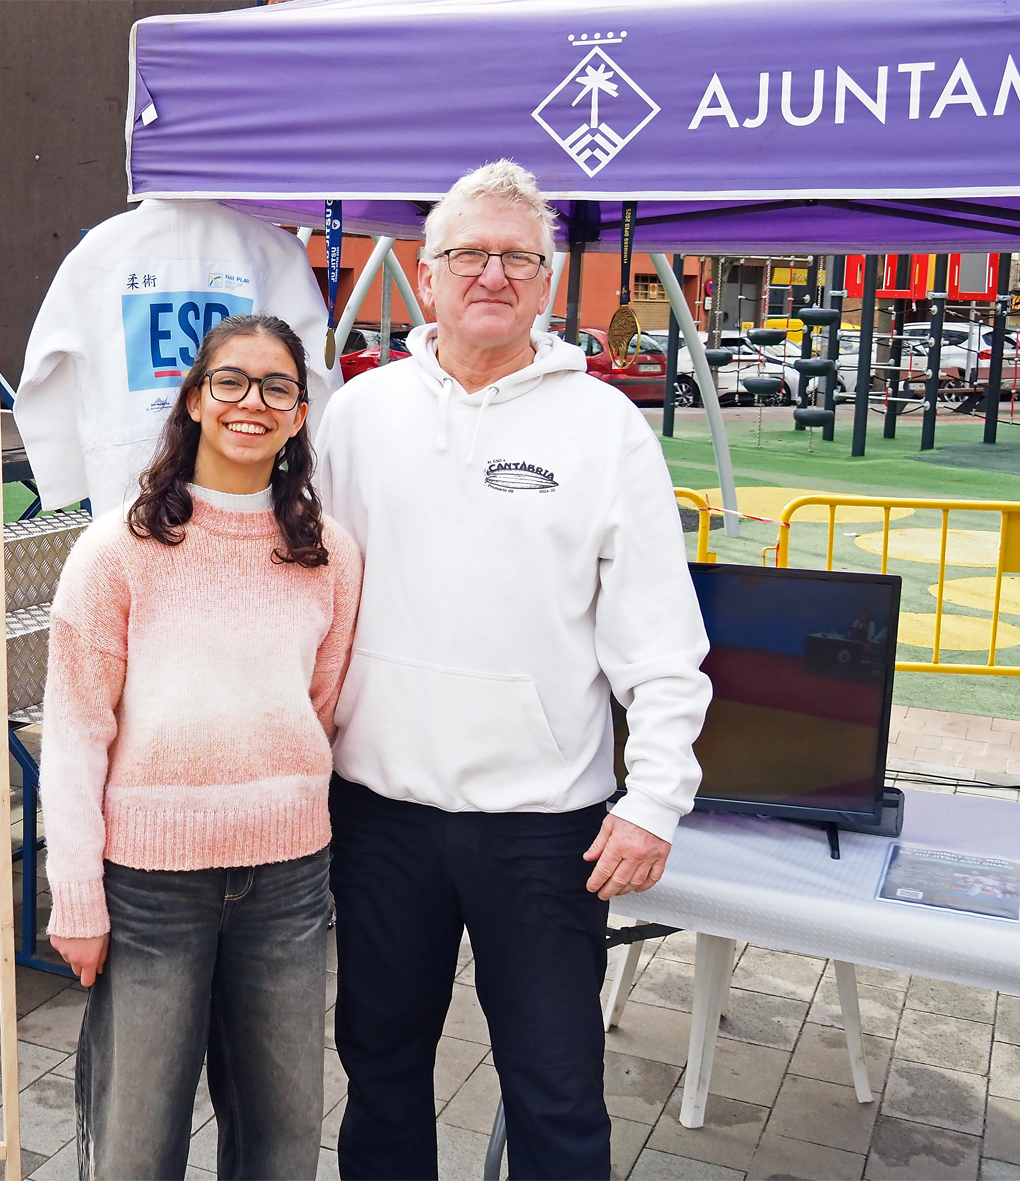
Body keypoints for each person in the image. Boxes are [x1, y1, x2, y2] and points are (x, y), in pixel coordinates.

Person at [316, 160, 712, 1181]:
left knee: (557, 1091)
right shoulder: (358, 414)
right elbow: (306, 596)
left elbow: (662, 641)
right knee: (379, 1074)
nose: (491, 274)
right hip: (379, 814)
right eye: (468, 254)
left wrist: (654, 800)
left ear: (547, 280)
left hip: (545, 826)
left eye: (517, 258)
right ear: (426, 274)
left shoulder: (604, 427)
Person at [40, 314, 362, 1181]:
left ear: (299, 415)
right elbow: (75, 731)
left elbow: (320, 705)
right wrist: (77, 895)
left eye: (276, 387)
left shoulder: (329, 554)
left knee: (282, 1136)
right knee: (137, 1140)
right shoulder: (119, 547)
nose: (251, 402)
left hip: (287, 882)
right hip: (150, 889)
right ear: (193, 398)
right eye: (230, 381)